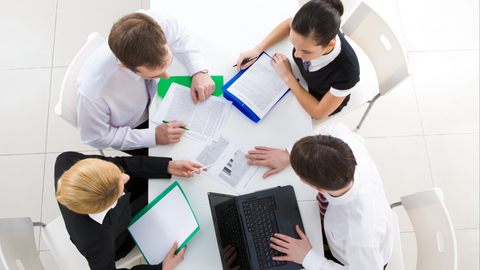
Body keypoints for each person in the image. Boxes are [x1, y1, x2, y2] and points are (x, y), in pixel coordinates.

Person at [247, 124, 393, 269]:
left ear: (317, 188)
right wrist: (288, 154)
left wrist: (308, 257)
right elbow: (333, 128)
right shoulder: (349, 147)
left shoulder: (361, 238)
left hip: (353, 260)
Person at [77, 9, 215, 155]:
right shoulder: (94, 94)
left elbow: (179, 35)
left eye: (168, 64)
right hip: (135, 127)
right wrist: (152, 136)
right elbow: (96, 137)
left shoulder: (158, 22)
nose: (167, 76)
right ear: (124, 66)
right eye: (154, 75)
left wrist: (198, 70)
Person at [55, 151, 205, 270]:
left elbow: (119, 163)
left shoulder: (66, 161)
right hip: (120, 235)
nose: (126, 177)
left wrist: (166, 166)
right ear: (108, 204)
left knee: (167, 185)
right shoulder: (96, 242)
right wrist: (163, 269)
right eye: (120, 184)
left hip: (122, 210)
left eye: (117, 173)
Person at [236, 0, 359, 120]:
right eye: (294, 45)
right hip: (300, 79)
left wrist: (288, 76)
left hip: (317, 98)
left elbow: (318, 113)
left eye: (306, 51)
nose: (297, 54)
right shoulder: (307, 28)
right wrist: (258, 49)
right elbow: (289, 23)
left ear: (330, 45)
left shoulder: (347, 73)